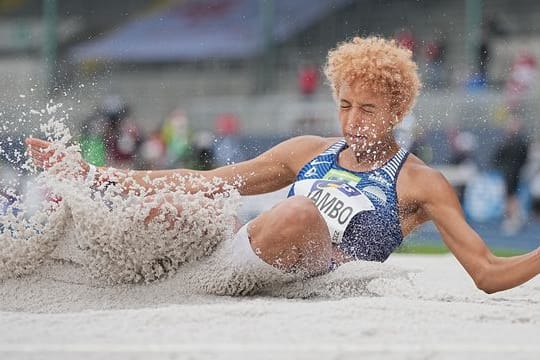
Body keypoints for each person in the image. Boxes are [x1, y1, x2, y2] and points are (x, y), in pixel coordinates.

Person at [27, 36, 539, 294]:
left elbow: (487, 272)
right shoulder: (309, 151)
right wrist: (97, 176)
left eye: (368, 109)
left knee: (299, 216)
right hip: (249, 257)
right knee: (189, 207)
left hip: (321, 280)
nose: (352, 120)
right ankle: (50, 255)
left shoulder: (422, 182)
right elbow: (207, 180)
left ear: (397, 112)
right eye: (344, 105)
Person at [492, 116, 530, 234]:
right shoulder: (516, 141)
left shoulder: (513, 142)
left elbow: (497, 157)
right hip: (513, 172)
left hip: (512, 172)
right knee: (511, 196)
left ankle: (512, 219)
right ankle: (513, 218)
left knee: (510, 196)